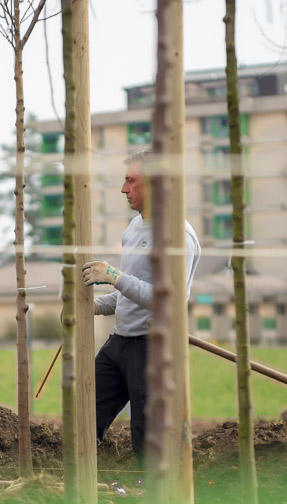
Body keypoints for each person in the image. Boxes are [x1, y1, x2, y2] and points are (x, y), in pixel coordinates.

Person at [81, 148, 202, 465]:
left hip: (151, 347)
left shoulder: (178, 236)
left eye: (131, 181)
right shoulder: (133, 230)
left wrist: (113, 276)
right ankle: (82, 487)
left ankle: (157, 501)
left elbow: (168, 302)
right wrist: (95, 307)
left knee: (147, 435)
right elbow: (129, 291)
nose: (124, 189)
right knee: (84, 412)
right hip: (120, 342)